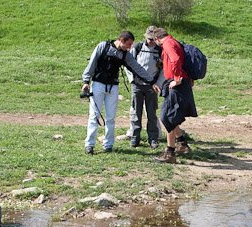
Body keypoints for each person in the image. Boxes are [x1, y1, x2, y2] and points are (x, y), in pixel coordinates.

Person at [82, 31, 157, 155]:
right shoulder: (103, 46)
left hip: (113, 87)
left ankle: (108, 144)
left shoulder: (125, 55)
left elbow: (136, 67)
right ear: (121, 40)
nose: (130, 47)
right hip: (98, 85)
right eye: (128, 44)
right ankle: (89, 144)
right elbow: (92, 63)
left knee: (111, 117)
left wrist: (150, 80)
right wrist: (86, 81)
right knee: (94, 116)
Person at [152, 28, 197, 164]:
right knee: (171, 116)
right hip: (178, 83)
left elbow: (175, 59)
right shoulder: (174, 42)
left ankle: (170, 153)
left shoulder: (167, 44)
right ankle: (182, 144)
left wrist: (177, 79)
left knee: (167, 117)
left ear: (157, 39)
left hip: (176, 84)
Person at [125, 25, 165, 149]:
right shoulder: (137, 47)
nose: (151, 41)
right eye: (149, 39)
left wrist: (158, 83)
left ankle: (153, 138)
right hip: (137, 85)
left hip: (152, 86)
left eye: (153, 39)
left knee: (151, 113)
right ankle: (135, 137)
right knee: (136, 112)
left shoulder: (160, 50)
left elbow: (164, 70)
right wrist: (132, 79)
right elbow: (129, 64)